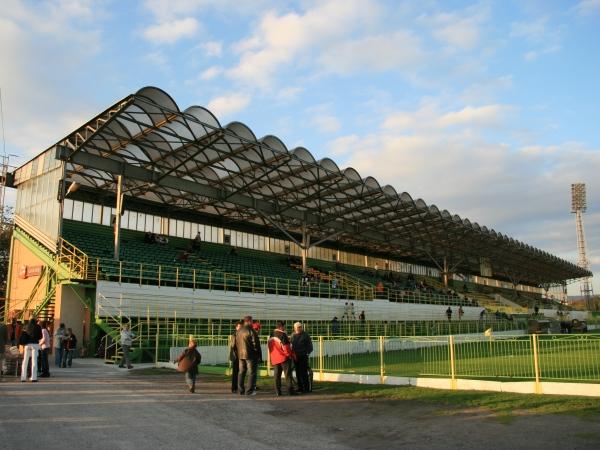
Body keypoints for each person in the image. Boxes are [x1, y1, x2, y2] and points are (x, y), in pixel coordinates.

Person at [236, 315, 262, 395]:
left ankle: (240, 390)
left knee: (241, 372)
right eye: (252, 321)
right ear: (249, 321)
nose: (252, 322)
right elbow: (256, 344)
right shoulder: (251, 330)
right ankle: (249, 391)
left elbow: (237, 343)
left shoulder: (239, 331)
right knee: (251, 373)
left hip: (240, 355)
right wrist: (258, 354)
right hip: (250, 355)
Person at [268, 321, 295, 396]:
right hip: (283, 358)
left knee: (277, 376)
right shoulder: (283, 334)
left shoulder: (271, 334)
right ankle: (290, 391)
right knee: (288, 375)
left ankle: (278, 391)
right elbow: (286, 347)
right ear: (281, 327)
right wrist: (289, 355)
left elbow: (269, 346)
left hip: (275, 358)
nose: (284, 328)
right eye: (284, 327)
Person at [291, 322, 313, 394]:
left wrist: (307, 353)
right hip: (295, 356)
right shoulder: (293, 335)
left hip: (303, 356)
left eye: (300, 327)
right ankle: (300, 388)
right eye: (298, 327)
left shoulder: (306, 335)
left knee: (303, 372)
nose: (300, 328)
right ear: (295, 328)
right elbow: (291, 345)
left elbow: (310, 346)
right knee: (297, 372)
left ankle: (306, 388)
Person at [20, 318, 42, 382]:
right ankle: (34, 378)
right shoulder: (38, 327)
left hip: (27, 345)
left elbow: (23, 336)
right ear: (35, 321)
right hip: (35, 345)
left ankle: (23, 378)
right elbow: (40, 336)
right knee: (34, 361)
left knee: (25, 361)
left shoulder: (26, 326)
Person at [228, 321, 243, 393]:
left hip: (241, 355)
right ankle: (234, 388)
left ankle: (239, 387)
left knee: (241, 372)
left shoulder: (241, 334)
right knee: (235, 372)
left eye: (241, 327)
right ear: (236, 327)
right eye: (239, 327)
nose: (240, 328)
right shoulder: (235, 335)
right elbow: (233, 345)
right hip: (236, 356)